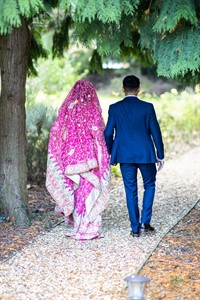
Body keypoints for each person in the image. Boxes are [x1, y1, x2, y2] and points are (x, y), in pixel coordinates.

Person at [46, 79, 110, 240]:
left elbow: (58, 130)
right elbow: (99, 133)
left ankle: (78, 226)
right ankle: (89, 225)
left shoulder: (69, 108)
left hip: (72, 159)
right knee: (90, 191)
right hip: (91, 159)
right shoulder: (93, 109)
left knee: (78, 191)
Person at [104, 75, 164, 237]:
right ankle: (145, 222)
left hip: (124, 155)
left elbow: (108, 133)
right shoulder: (148, 107)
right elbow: (155, 132)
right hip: (145, 154)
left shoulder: (114, 108)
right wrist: (160, 154)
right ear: (139, 89)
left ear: (123, 89)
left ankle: (135, 229)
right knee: (149, 185)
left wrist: (112, 151)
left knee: (130, 190)